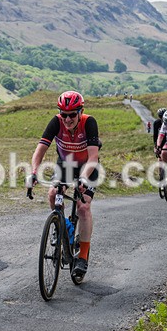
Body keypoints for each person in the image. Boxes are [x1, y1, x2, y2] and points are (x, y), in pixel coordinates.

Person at [28, 90, 101, 282]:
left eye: (72, 115)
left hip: (88, 167)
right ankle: (64, 226)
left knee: (83, 207)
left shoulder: (89, 122)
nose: (67, 119)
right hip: (65, 165)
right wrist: (34, 172)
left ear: (80, 111)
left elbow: (93, 156)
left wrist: (84, 178)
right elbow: (40, 150)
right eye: (64, 114)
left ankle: (82, 257)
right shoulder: (56, 122)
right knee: (53, 193)